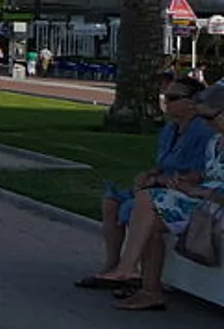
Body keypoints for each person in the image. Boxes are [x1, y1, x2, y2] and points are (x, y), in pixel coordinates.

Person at [83, 82, 224, 311]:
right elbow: (207, 174)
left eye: (211, 118)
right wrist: (187, 183)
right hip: (202, 198)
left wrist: (196, 190)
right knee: (152, 221)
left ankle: (127, 268)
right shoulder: (215, 142)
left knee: (148, 200)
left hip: (214, 202)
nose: (208, 124)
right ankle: (149, 291)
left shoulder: (207, 136)